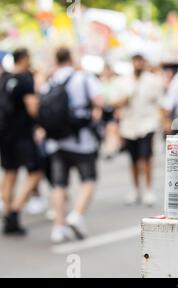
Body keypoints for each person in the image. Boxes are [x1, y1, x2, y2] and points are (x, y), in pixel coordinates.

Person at [43, 48, 103, 243]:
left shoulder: (51, 80)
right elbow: (99, 101)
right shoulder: (83, 78)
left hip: (56, 142)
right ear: (71, 59)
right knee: (89, 179)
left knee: (59, 185)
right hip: (81, 140)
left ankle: (58, 228)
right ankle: (76, 215)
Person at [1, 48, 42, 236]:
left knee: (10, 173)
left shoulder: (5, 79)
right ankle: (15, 211)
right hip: (23, 134)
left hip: (5, 134)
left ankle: (9, 211)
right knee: (35, 172)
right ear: (24, 59)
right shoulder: (25, 79)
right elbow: (32, 107)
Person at [115, 54, 164, 205]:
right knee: (133, 160)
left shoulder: (153, 80)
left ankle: (149, 190)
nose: (137, 64)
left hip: (147, 124)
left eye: (140, 61)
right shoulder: (124, 81)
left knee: (146, 158)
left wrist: (163, 121)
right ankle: (136, 189)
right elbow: (116, 103)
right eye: (135, 61)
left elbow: (160, 102)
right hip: (129, 126)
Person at [99, 65, 122, 158]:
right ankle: (110, 147)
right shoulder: (101, 82)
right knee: (106, 130)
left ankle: (111, 148)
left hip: (113, 108)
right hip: (104, 108)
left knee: (112, 128)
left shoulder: (116, 82)